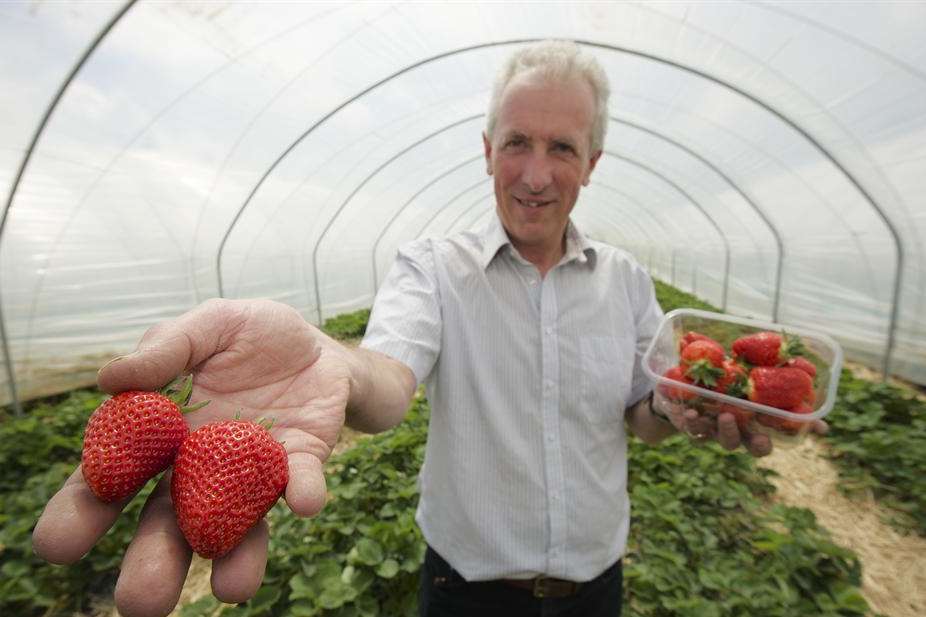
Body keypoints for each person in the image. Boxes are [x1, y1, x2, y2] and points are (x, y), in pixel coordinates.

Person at [33, 40, 797, 617]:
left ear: (592, 161)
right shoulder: (433, 268)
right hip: (462, 589)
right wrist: (332, 363)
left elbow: (642, 414)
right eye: (516, 143)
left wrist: (675, 407)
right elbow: (387, 379)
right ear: (487, 150)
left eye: (561, 147)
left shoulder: (627, 281)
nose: (535, 173)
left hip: (598, 584)